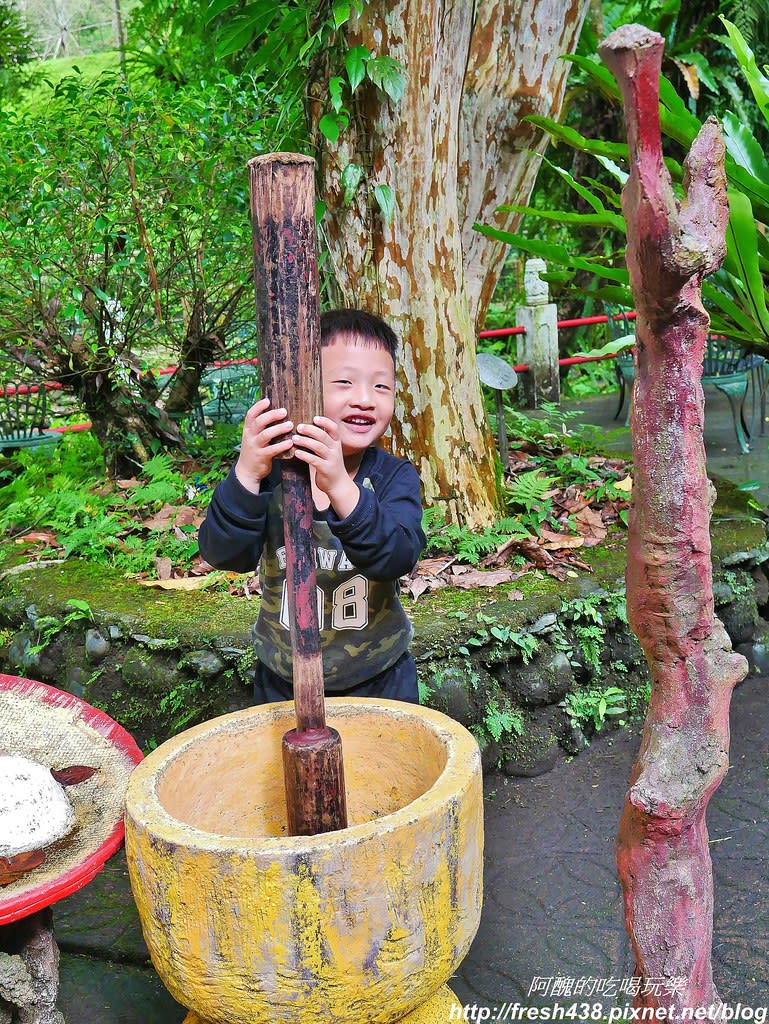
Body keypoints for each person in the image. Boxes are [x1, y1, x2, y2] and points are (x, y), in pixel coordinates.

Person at [198, 308, 426, 705]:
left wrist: (339, 484)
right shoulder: (272, 477)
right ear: (302, 387)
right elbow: (223, 553)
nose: (364, 399)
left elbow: (397, 556)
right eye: (343, 382)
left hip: (379, 678)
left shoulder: (393, 477)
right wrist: (247, 473)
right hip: (281, 682)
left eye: (382, 387)